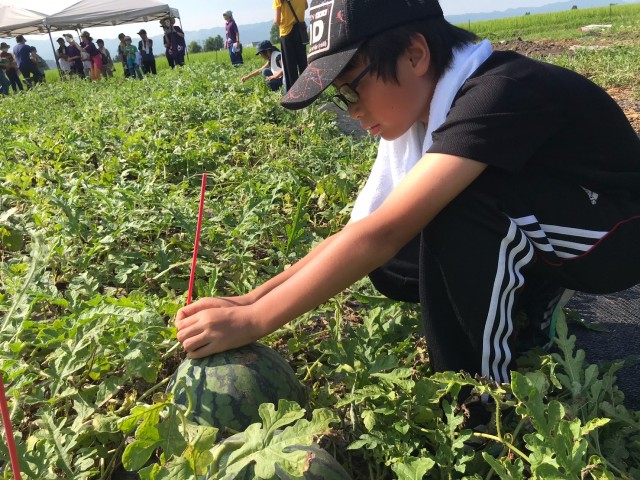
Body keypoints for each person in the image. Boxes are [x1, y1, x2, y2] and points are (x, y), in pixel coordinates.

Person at [175, 0, 640, 391]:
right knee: (394, 264)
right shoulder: (429, 105)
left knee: (453, 209)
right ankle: (529, 301)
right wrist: (250, 299)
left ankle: (481, 395)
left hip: (617, 237)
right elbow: (364, 232)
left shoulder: (499, 92)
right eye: (341, 98)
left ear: (415, 54)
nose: (353, 112)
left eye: (352, 90)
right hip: (559, 217)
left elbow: (385, 231)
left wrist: (256, 321)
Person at [273, 0, 308, 90]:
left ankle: (294, 92)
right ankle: (307, 89)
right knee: (303, 63)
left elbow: (276, 21)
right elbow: (305, 7)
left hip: (286, 33)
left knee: (290, 68)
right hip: (300, 31)